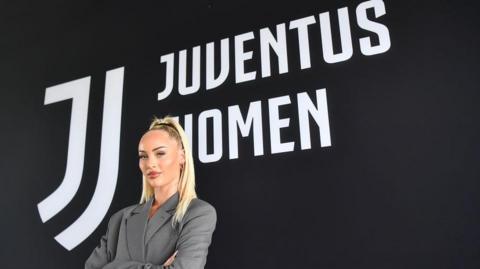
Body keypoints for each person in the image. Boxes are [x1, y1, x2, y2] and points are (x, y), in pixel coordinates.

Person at [85, 116, 217, 269]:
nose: (150, 164)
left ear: (182, 156)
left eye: (160, 153)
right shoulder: (120, 219)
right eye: (143, 156)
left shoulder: (198, 213)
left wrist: (115, 266)